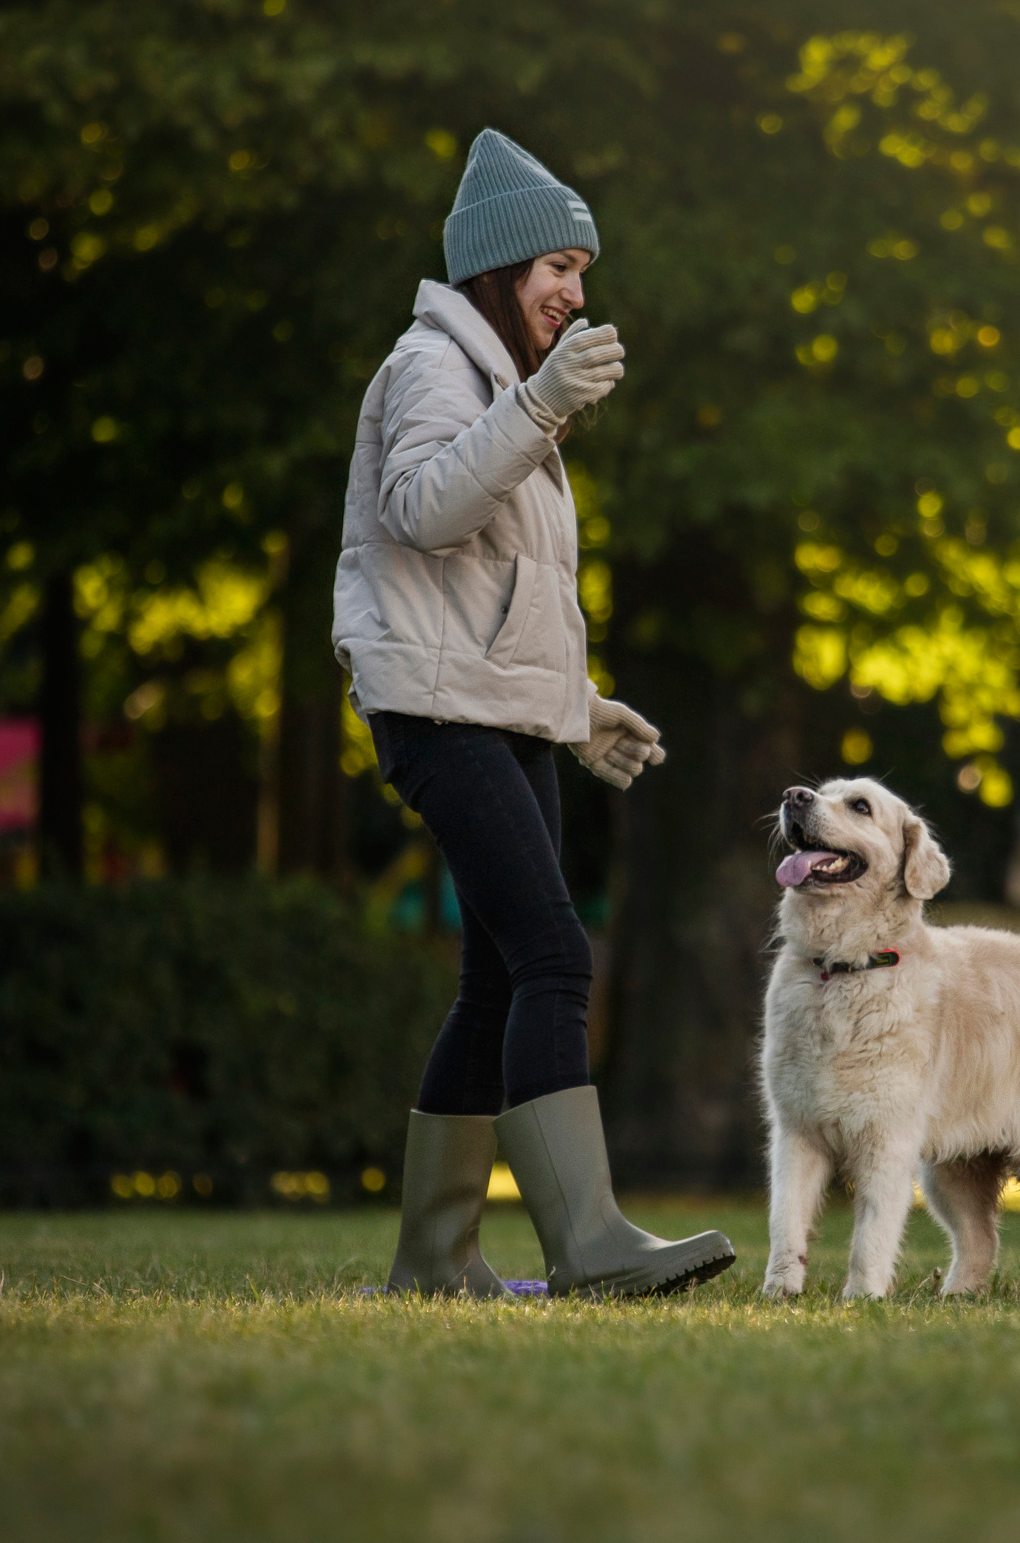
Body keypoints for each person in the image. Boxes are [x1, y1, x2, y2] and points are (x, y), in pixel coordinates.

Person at [336, 130, 735, 1298]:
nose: (573, 292)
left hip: (489, 711)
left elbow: (490, 594)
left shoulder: (504, 386)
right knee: (556, 954)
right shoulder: (434, 365)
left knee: (502, 977)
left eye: (583, 273)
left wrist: (574, 706)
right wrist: (543, 406)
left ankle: (434, 1260)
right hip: (436, 716)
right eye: (557, 267)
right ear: (497, 270)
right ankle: (591, 1243)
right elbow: (419, 513)